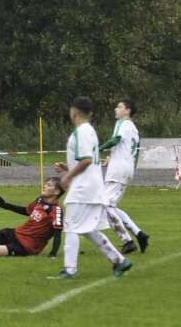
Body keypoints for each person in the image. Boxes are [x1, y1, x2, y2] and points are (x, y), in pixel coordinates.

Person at [53, 96, 132, 279]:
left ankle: (70, 270)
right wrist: (68, 168)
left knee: (71, 227)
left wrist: (66, 177)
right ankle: (119, 261)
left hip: (83, 189)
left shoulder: (82, 132)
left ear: (73, 112)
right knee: (86, 228)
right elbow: (88, 160)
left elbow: (87, 160)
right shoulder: (89, 131)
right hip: (91, 187)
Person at [100, 99, 149, 253]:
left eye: (119, 106)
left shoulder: (123, 124)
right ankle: (139, 234)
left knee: (105, 205)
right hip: (123, 167)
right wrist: (111, 159)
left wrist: (97, 149)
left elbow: (116, 140)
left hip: (119, 170)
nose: (116, 108)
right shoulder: (132, 128)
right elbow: (125, 148)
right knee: (110, 206)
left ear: (127, 111)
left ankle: (127, 241)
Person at [0, 177, 64, 257]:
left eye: (48, 185)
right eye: (45, 183)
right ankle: (5, 248)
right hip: (17, 233)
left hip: (27, 245)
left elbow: (58, 233)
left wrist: (53, 253)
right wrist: (5, 205)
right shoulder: (40, 200)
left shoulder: (56, 210)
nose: (44, 186)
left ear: (56, 191)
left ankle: (8, 249)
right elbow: (26, 211)